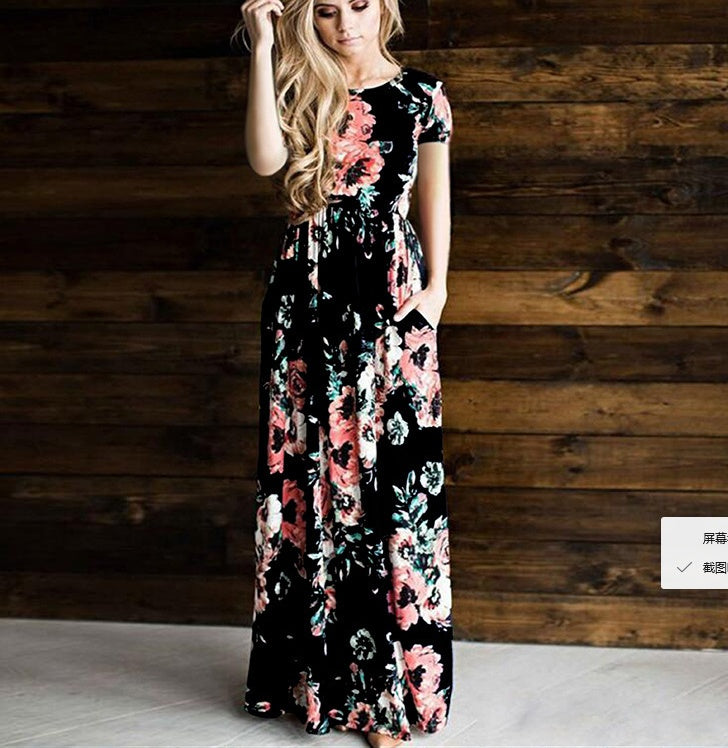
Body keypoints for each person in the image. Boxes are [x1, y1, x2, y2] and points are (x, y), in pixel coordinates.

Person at [235, 0, 454, 745]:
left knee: (389, 480)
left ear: (384, 5)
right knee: (309, 477)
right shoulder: (301, 83)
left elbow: (433, 197)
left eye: (358, 4)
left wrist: (437, 291)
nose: (345, 23)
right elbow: (266, 162)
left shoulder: (421, 93)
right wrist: (263, 46)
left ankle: (387, 696)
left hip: (391, 291)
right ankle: (315, 684)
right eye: (326, 10)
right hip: (307, 291)